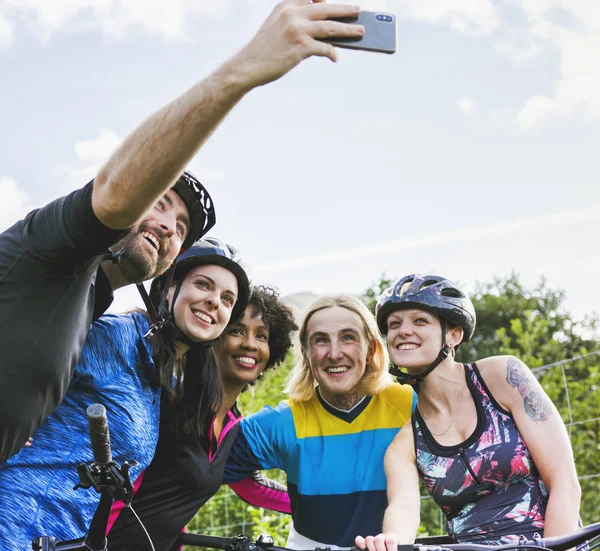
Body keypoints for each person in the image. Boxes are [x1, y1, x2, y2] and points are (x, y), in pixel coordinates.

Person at [0, 0, 366, 464]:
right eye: (159, 203)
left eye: (180, 229)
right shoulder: (55, 248)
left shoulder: (90, 303)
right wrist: (244, 70)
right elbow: (114, 194)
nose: (167, 227)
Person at [0, 238, 251, 551]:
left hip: (59, 538)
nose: (215, 301)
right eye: (203, 285)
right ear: (169, 289)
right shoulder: (120, 338)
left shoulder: (164, 374)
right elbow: (23, 355)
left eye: (227, 299)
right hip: (14, 522)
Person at [355, 274, 582, 550]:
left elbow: (564, 483)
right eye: (394, 324)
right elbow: (402, 510)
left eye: (420, 321)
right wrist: (390, 542)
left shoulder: (503, 377)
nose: (403, 331)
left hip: (550, 543)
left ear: (453, 334)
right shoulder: (404, 446)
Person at [106, 286, 298, 551]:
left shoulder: (232, 428)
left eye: (262, 336)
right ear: (213, 338)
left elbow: (253, 488)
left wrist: (323, 510)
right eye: (237, 331)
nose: (250, 344)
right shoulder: (165, 402)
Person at [225, 295, 417, 549]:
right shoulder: (284, 421)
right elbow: (209, 465)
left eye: (348, 337)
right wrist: (292, 500)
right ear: (305, 353)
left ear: (370, 349)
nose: (334, 354)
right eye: (321, 340)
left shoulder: (408, 404)